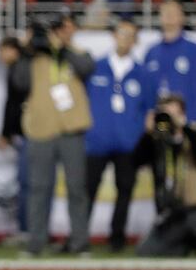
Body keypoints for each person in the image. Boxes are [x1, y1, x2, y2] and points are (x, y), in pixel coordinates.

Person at [10, 15, 95, 255]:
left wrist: (61, 47)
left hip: (72, 130)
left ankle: (80, 243)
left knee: (76, 188)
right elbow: (19, 83)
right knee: (39, 188)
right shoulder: (33, 57)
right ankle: (36, 243)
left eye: (62, 28)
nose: (58, 33)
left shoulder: (75, 51)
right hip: (40, 129)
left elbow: (87, 68)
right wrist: (28, 50)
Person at [85, 19, 152, 252]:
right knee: (88, 189)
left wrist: (138, 137)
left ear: (135, 40)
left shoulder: (142, 72)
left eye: (130, 34)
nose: (125, 38)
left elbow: (149, 110)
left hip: (127, 144)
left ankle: (117, 239)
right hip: (96, 142)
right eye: (122, 33)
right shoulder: (96, 66)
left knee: (125, 190)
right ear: (114, 36)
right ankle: (79, 237)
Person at [136, 94, 196, 255]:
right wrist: (148, 134)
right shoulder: (160, 139)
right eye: (164, 113)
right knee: (146, 253)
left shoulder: (192, 131)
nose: (168, 118)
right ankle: (181, 247)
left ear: (182, 112)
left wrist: (182, 126)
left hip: (194, 210)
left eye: (172, 112)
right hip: (174, 215)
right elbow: (137, 160)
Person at [0, 36, 30, 236]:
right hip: (24, 133)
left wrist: (5, 133)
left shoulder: (20, 69)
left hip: (29, 133)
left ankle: (27, 229)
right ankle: (28, 228)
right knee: (27, 182)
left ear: (13, 50)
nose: (0, 56)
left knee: (27, 182)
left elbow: (13, 106)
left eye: (3, 50)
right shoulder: (18, 68)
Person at [143, 0, 196, 122]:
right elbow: (146, 89)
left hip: (188, 121)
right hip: (159, 123)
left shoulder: (192, 50)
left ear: (182, 17)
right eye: (165, 12)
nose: (169, 15)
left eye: (173, 12)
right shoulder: (151, 52)